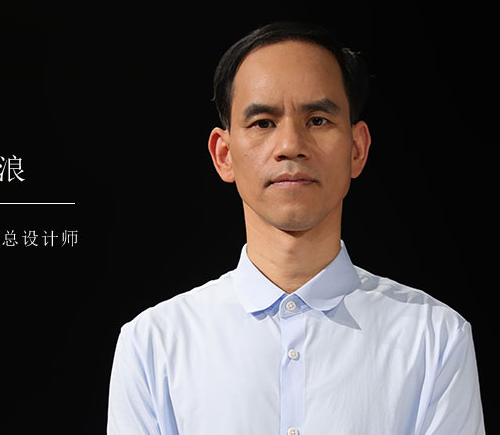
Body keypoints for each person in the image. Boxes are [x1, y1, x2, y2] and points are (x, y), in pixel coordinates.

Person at [107, 22, 484, 435]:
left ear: (357, 149)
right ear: (224, 154)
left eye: (318, 120)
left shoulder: (434, 338)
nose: (290, 145)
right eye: (263, 122)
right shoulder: (154, 345)